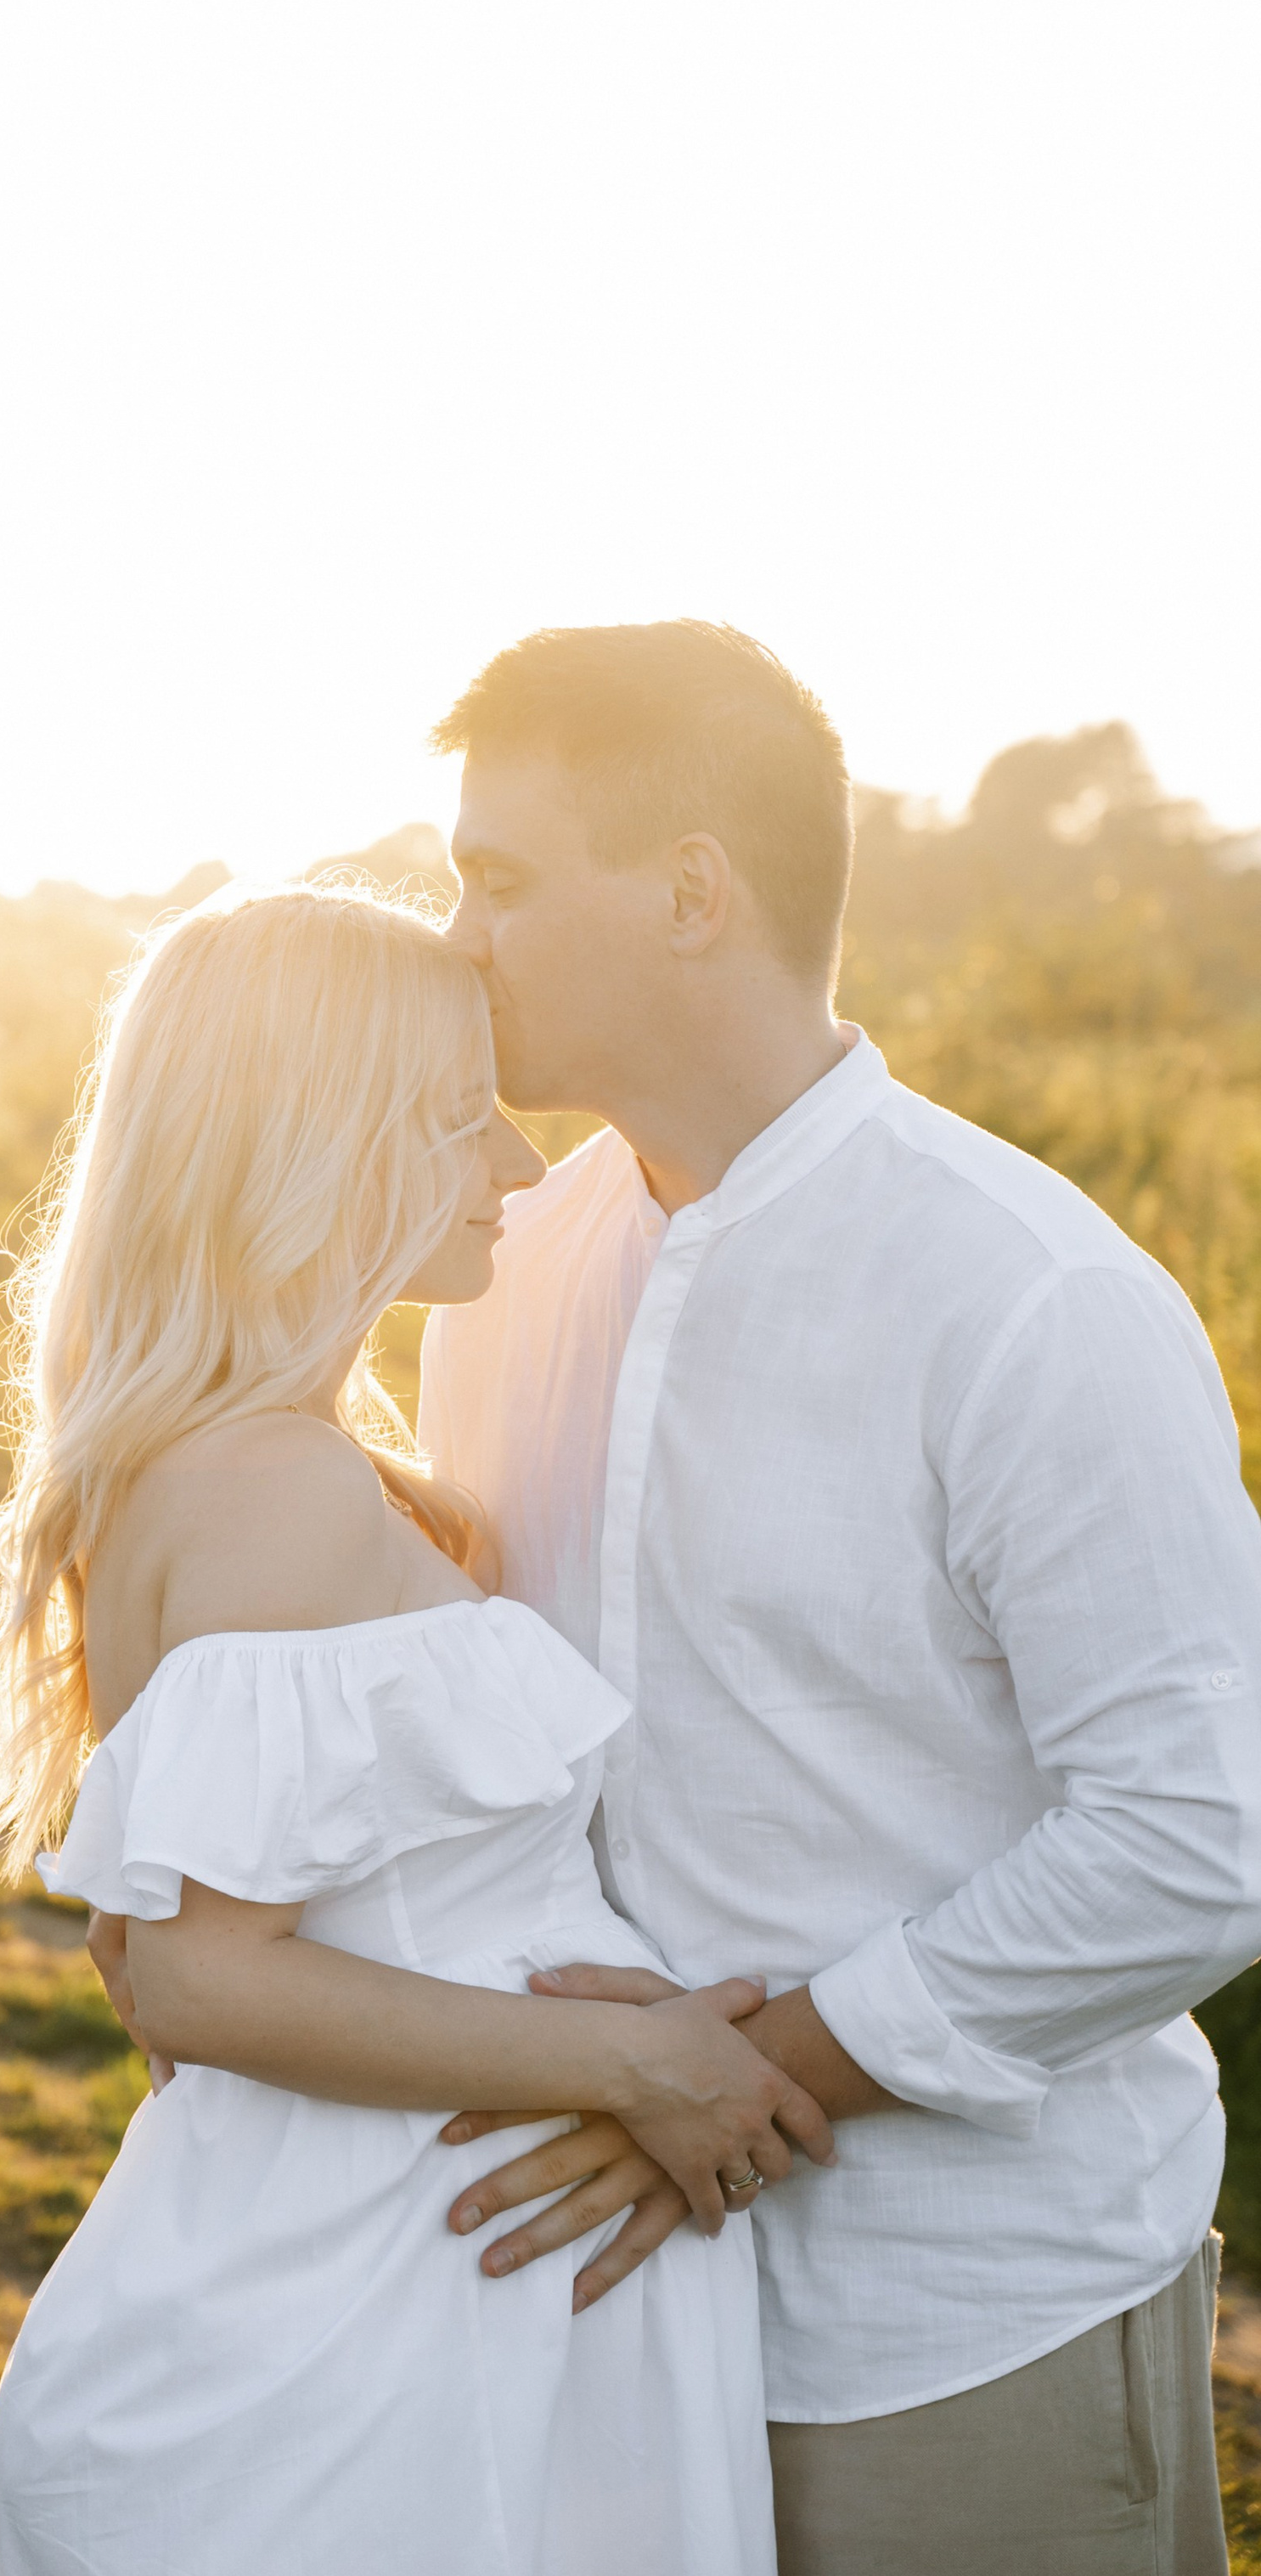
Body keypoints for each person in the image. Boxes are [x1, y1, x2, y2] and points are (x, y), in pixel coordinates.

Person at [415, 618, 1261, 2576]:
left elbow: (1199, 1834)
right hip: (576, 2319)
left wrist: (749, 2063)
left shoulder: (1027, 1299)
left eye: (502, 875)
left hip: (951, 2329)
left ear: (691, 891)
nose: (455, 932)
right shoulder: (503, 1266)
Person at [0, 882, 820, 2576]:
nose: (514, 1164)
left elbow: (154, 1956)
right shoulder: (265, 1483)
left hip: (426, 2281)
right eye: (453, 1119)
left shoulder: (264, 1463)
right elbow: (195, 1973)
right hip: (355, 2333)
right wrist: (635, 2058)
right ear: (314, 1148)